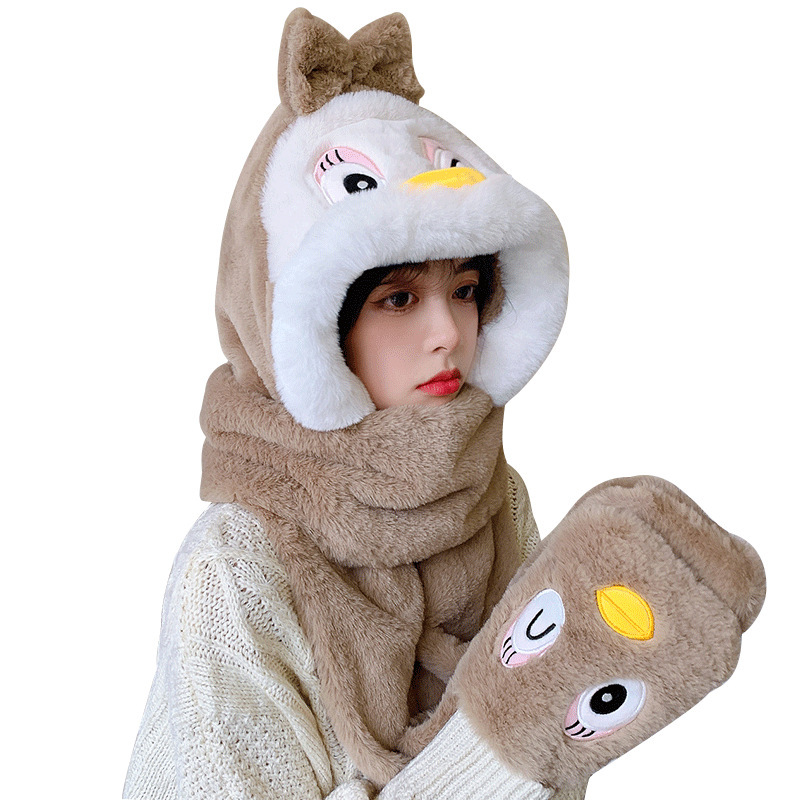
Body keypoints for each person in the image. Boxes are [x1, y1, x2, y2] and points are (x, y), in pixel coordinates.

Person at [124, 10, 763, 800]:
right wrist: (499, 753)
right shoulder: (236, 566)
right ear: (308, 323)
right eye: (397, 299)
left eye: (464, 290)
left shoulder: (494, 500)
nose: (448, 333)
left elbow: (553, 768)